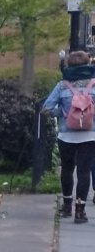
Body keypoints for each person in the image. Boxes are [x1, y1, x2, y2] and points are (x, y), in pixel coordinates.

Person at [41, 50, 95, 223]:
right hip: (89, 134)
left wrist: (63, 114)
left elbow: (46, 108)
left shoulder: (62, 85)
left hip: (66, 135)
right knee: (84, 171)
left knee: (67, 169)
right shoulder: (93, 84)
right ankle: (80, 211)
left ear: (69, 65)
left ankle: (66, 207)